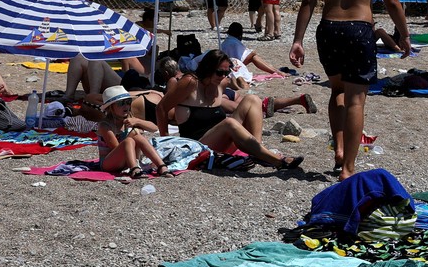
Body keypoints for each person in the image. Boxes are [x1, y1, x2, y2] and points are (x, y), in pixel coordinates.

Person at [291, 0, 410, 178]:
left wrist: (298, 40)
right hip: (358, 29)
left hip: (329, 29)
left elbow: (308, 0)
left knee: (337, 91)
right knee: (356, 100)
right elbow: (391, 1)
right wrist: (404, 34)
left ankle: (340, 149)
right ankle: (348, 168)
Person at [158, 49, 299, 170]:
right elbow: (161, 108)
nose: (224, 76)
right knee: (229, 123)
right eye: (219, 72)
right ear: (208, 68)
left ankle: (259, 151)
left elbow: (240, 90)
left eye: (227, 72)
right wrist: (166, 142)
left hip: (220, 142)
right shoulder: (190, 82)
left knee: (253, 99)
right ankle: (277, 161)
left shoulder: (221, 83)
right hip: (197, 147)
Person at [94, 86, 166, 176]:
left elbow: (155, 128)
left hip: (126, 160)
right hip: (108, 163)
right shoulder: (105, 125)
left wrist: (138, 121)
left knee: (138, 137)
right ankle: (134, 169)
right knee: (130, 139)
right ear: (111, 107)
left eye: (128, 102)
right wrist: (132, 134)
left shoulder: (130, 119)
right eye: (121, 103)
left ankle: (162, 166)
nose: (126, 106)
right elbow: (116, 148)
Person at [220, 22, 286, 77]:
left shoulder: (227, 41)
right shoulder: (234, 42)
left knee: (253, 55)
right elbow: (238, 59)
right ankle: (276, 71)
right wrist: (252, 53)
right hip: (232, 67)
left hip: (229, 64)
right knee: (253, 55)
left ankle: (275, 71)